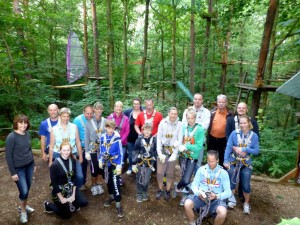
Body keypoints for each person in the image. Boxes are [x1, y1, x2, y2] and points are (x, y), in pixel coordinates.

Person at [223, 115, 260, 215]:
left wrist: (245, 149)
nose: (243, 125)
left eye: (244, 123)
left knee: (246, 185)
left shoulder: (254, 136)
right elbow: (229, 147)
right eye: (241, 123)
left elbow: (256, 151)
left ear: (249, 123)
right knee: (231, 179)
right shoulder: (234, 134)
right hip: (233, 160)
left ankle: (246, 204)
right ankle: (231, 199)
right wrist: (226, 160)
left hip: (246, 163)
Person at [184, 150, 231, 225]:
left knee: (222, 212)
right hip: (201, 197)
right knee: (187, 204)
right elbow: (194, 185)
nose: (210, 163)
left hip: (216, 199)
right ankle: (192, 223)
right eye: (208, 161)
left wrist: (216, 196)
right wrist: (198, 193)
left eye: (212, 161)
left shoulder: (223, 173)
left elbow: (228, 192)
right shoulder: (201, 170)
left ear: (217, 160)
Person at [44, 141, 88, 219]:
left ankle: (72, 203)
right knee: (66, 216)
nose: (66, 152)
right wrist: (61, 198)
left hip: (70, 187)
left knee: (83, 202)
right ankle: (48, 205)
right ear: (60, 150)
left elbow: (74, 178)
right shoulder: (55, 165)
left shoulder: (73, 161)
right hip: (60, 190)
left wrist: (73, 195)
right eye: (64, 150)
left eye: (68, 150)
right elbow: (54, 184)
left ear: (71, 150)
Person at [5, 114, 36, 223]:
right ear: (16, 123)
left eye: (25, 123)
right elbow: (8, 156)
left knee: (27, 190)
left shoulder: (27, 134)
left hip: (29, 165)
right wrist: (13, 173)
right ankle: (22, 211)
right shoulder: (11, 137)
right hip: (19, 169)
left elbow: (29, 150)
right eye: (21, 123)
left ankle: (24, 206)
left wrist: (34, 164)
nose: (23, 125)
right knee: (23, 191)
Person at [176, 108, 204, 206]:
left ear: (195, 118)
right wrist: (179, 145)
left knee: (186, 179)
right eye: (188, 118)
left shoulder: (200, 129)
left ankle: (178, 187)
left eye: (192, 118)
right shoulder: (184, 127)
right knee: (183, 175)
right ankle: (184, 196)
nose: (190, 120)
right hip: (183, 156)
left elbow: (199, 146)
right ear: (186, 118)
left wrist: (186, 146)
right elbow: (179, 139)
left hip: (192, 156)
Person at [49, 107, 83, 188]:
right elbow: (51, 146)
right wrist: (50, 161)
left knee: (79, 176)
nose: (66, 118)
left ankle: (75, 191)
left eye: (67, 116)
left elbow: (78, 142)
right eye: (64, 116)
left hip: (73, 154)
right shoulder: (54, 129)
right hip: (58, 155)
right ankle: (61, 192)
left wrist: (81, 156)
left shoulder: (74, 127)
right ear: (60, 116)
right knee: (61, 176)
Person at [156, 107, 182, 200]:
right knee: (159, 172)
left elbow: (179, 140)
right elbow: (158, 138)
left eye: (175, 114)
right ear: (168, 113)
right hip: (162, 150)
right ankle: (160, 189)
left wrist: (174, 154)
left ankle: (167, 190)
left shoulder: (180, 124)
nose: (173, 116)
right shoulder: (163, 122)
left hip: (172, 151)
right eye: (172, 113)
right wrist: (159, 152)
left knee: (170, 173)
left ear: (177, 115)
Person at [98, 120, 124, 218]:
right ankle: (111, 196)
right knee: (108, 181)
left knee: (115, 183)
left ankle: (118, 204)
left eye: (112, 128)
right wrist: (100, 159)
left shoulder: (117, 139)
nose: (110, 130)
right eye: (108, 127)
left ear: (114, 128)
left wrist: (119, 165)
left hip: (114, 163)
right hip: (106, 163)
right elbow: (101, 149)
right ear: (105, 128)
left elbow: (121, 153)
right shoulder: (103, 137)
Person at [182, 93, 210, 170]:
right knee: (185, 163)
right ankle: (185, 181)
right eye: (196, 99)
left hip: (199, 142)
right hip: (186, 141)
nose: (197, 101)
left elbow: (205, 126)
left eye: (199, 99)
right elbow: (184, 124)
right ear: (193, 100)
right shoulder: (187, 110)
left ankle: (196, 181)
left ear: (202, 100)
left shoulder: (206, 112)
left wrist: (192, 124)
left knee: (197, 164)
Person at [84, 102, 106, 196]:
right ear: (94, 110)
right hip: (93, 149)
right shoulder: (89, 123)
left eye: (100, 109)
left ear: (102, 110)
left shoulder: (105, 121)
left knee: (101, 167)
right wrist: (87, 152)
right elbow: (86, 138)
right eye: (97, 109)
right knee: (94, 168)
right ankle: (93, 184)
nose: (99, 111)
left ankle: (99, 183)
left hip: (103, 149)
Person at [132, 123, 157, 203]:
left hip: (149, 163)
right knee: (139, 177)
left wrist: (154, 159)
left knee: (146, 180)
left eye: (149, 130)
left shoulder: (154, 140)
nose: (147, 131)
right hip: (140, 163)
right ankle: (139, 193)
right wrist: (133, 163)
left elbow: (156, 151)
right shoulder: (139, 140)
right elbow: (135, 151)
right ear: (143, 130)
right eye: (145, 130)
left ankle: (144, 191)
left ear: (151, 131)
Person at [107, 101, 130, 185]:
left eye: (120, 107)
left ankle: (119, 177)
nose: (118, 108)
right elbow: (108, 130)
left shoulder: (126, 118)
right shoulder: (110, 118)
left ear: (122, 108)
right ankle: (112, 176)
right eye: (117, 106)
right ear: (114, 108)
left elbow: (127, 131)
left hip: (122, 143)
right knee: (112, 160)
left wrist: (120, 140)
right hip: (112, 143)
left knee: (120, 161)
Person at [207, 94, 232, 166]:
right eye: (219, 102)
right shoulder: (212, 112)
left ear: (226, 103)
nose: (221, 104)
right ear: (217, 102)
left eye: (223, 102)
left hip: (224, 140)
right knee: (211, 157)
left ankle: (220, 174)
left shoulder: (230, 114)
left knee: (222, 158)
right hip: (212, 139)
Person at [73, 105, 94, 190]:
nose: (89, 115)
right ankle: (81, 183)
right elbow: (73, 134)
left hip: (93, 147)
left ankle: (94, 182)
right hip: (81, 147)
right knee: (82, 165)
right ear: (83, 112)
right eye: (87, 113)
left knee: (93, 166)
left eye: (91, 113)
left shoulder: (95, 119)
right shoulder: (77, 120)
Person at [123, 97, 143, 175]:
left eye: (137, 104)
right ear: (132, 104)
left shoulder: (143, 112)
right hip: (130, 138)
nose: (136, 105)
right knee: (131, 153)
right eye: (134, 104)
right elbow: (121, 118)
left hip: (140, 138)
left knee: (140, 153)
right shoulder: (128, 112)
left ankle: (140, 167)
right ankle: (131, 167)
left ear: (140, 104)